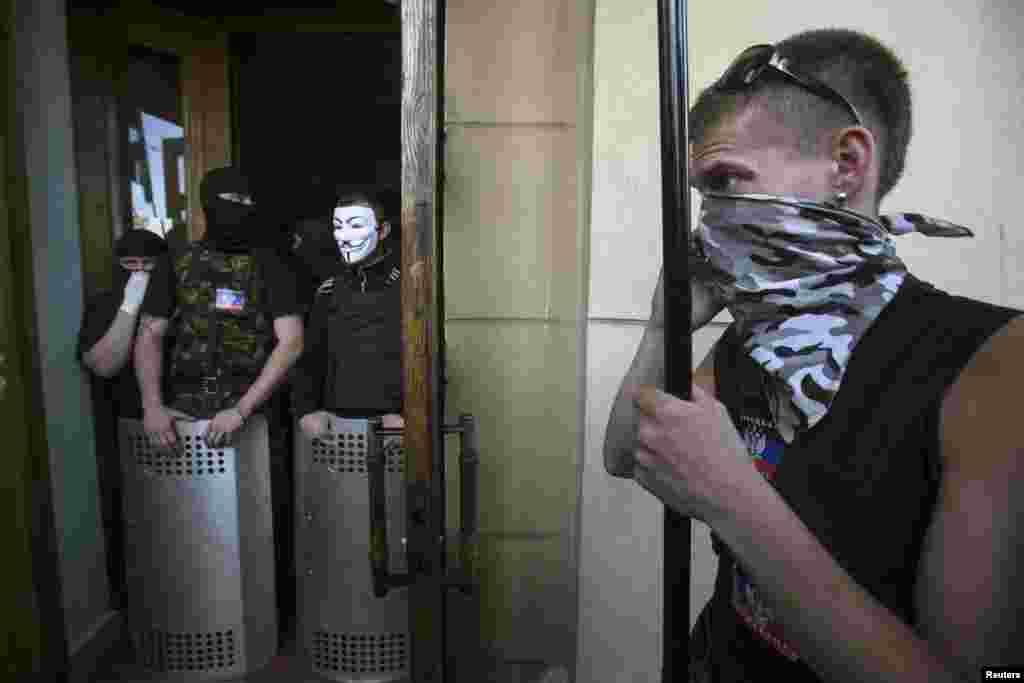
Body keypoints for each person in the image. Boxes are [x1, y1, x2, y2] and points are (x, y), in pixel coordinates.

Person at [604, 28, 1023, 682]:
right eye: (703, 193)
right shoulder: (753, 339)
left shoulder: (989, 361)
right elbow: (627, 453)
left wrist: (733, 499)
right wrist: (664, 328)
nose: (707, 220)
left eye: (725, 180)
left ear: (847, 165)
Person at [134, 165, 305, 649]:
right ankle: (195, 631)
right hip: (184, 418)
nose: (239, 210)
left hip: (252, 417)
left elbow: (291, 342)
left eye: (246, 201)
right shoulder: (177, 262)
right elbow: (150, 333)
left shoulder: (271, 264)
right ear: (207, 204)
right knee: (187, 531)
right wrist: (152, 406)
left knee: (261, 529)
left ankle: (264, 636)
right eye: (229, 200)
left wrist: (243, 409)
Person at [78, 227, 169, 608]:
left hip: (175, 427)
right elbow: (103, 364)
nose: (139, 274)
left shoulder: (177, 298)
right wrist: (129, 306)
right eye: (130, 266)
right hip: (121, 427)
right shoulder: (103, 304)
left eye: (148, 266)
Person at [291, 188, 404, 437]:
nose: (345, 237)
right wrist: (306, 411)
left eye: (356, 226)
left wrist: (408, 414)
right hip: (337, 429)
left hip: (396, 428)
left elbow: (427, 356)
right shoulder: (330, 290)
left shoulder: (408, 287)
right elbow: (313, 358)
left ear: (382, 231)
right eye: (338, 227)